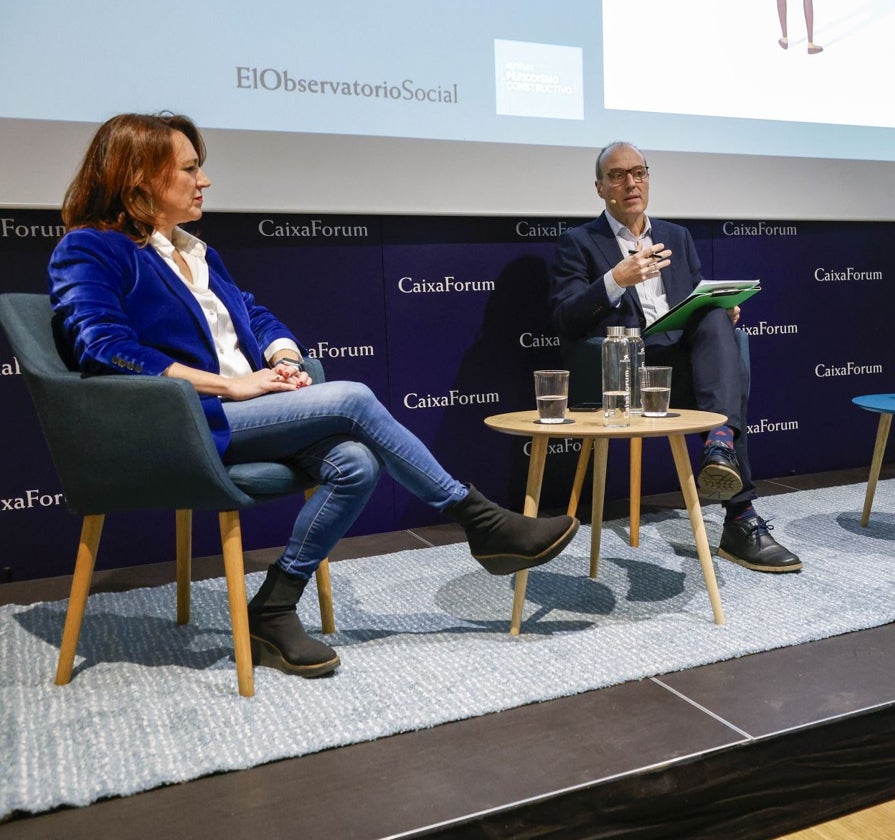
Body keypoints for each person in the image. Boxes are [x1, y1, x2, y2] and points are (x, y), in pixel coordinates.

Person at [48, 113, 579, 678]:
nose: (203, 181)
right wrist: (230, 383)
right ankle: (481, 523)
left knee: (354, 462)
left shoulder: (195, 251)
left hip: (246, 409)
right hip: (183, 423)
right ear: (139, 181)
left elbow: (252, 312)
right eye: (189, 168)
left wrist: (282, 356)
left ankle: (273, 605)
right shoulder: (90, 249)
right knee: (350, 399)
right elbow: (103, 348)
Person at [549, 141, 801, 574]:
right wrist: (615, 279)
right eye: (617, 175)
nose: (631, 182)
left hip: (678, 368)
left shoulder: (677, 237)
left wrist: (722, 309)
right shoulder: (579, 243)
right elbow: (566, 319)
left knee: (717, 319)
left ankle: (719, 449)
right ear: (599, 187)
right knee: (726, 386)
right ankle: (741, 516)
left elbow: (697, 301)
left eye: (639, 172)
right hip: (623, 373)